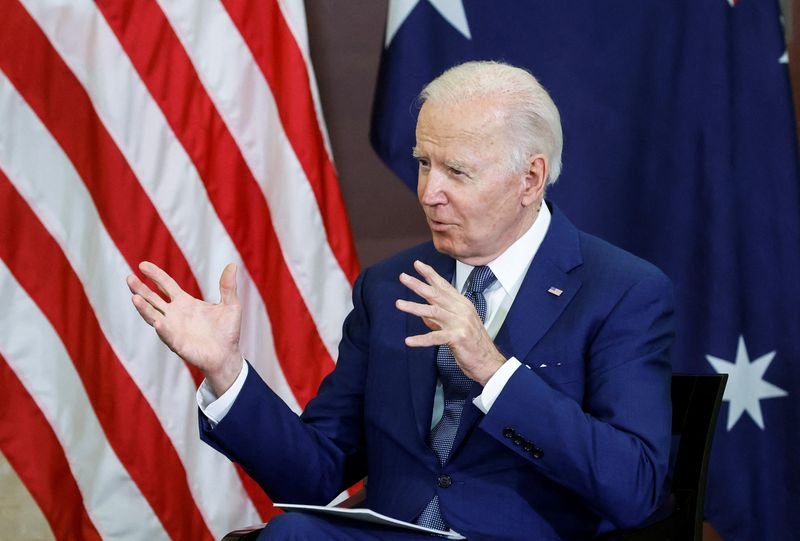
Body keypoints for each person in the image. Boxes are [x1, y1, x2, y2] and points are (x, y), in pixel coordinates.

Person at [127, 61, 674, 540]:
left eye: (456, 171)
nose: (429, 192)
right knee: (296, 532)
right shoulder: (388, 287)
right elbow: (313, 476)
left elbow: (634, 488)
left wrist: (493, 370)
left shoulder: (621, 290)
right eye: (422, 163)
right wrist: (227, 373)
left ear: (529, 179)